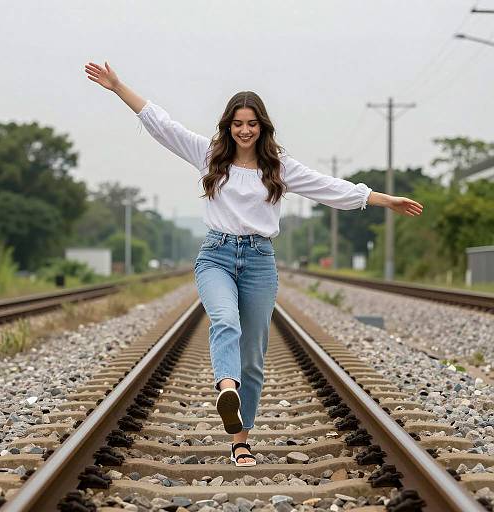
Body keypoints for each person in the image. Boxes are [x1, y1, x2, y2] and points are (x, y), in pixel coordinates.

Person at [84, 61, 424, 467]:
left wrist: (385, 200)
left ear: (262, 126)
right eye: (237, 123)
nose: (244, 130)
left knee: (254, 356)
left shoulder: (278, 167)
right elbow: (162, 125)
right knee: (224, 320)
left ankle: (240, 441)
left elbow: (331, 189)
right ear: (228, 126)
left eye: (251, 123)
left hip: (260, 261)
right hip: (216, 256)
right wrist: (118, 86)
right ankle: (226, 389)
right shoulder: (208, 155)